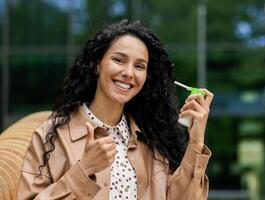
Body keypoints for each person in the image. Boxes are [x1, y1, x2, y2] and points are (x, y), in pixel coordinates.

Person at [17, 19, 214, 200]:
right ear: (96, 64)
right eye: (119, 60)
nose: (128, 73)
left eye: (139, 66)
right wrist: (84, 169)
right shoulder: (50, 137)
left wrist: (195, 142)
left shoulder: (153, 142)